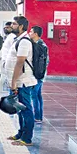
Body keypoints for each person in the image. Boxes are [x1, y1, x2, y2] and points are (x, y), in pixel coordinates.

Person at [7, 16, 36, 146]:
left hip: (22, 82)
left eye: (14, 24)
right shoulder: (18, 40)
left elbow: (20, 63)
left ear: (21, 26)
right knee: (19, 109)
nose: (11, 26)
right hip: (18, 81)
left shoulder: (24, 42)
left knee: (26, 109)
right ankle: (21, 133)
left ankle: (27, 138)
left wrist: (14, 82)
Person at [29, 26, 49, 123]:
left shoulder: (38, 46)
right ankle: (39, 116)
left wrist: (37, 74)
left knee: (34, 95)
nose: (29, 33)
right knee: (38, 95)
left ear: (36, 34)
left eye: (31, 31)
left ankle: (37, 117)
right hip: (41, 74)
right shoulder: (42, 45)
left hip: (38, 74)